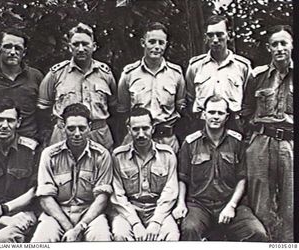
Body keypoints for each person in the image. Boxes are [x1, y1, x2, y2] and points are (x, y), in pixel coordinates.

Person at [173, 95, 267, 241]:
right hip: (199, 205)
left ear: (227, 116)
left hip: (229, 203)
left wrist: (232, 206)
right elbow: (182, 178)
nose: (215, 117)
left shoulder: (237, 142)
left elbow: (242, 179)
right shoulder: (191, 143)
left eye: (220, 113)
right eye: (211, 112)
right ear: (204, 114)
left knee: (257, 233)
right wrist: (181, 204)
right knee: (189, 229)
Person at [31, 103, 112, 242]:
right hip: (57, 214)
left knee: (101, 238)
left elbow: (102, 198)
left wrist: (79, 227)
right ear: (63, 126)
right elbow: (45, 198)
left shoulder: (102, 155)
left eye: (82, 128)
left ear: (90, 127)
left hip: (90, 214)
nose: (77, 134)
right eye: (71, 128)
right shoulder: (49, 155)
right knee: (41, 239)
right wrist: (69, 227)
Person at [241, 25, 293, 242]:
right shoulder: (258, 75)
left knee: (291, 203)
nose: (279, 48)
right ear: (269, 48)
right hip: (261, 143)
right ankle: (264, 243)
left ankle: (289, 244)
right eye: (275, 44)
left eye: (284, 43)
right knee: (260, 203)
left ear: (292, 45)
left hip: (290, 145)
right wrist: (252, 140)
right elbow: (246, 110)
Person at [37, 22, 117, 151]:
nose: (80, 49)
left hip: (98, 135)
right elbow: (43, 108)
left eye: (85, 44)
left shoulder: (105, 73)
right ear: (69, 47)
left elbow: (114, 107)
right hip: (65, 135)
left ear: (94, 46)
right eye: (76, 44)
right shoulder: (56, 74)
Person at [110, 107, 179, 241]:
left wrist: (156, 221)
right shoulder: (118, 156)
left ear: (153, 128)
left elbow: (170, 192)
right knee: (120, 234)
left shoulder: (167, 155)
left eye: (145, 128)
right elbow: (118, 195)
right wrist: (135, 223)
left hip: (158, 209)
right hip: (128, 210)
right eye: (135, 129)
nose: (141, 134)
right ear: (129, 129)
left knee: (171, 235)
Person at [117, 22, 186, 153]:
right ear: (143, 43)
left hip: (166, 140)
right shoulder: (129, 74)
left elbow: (180, 106)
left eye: (161, 43)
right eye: (152, 42)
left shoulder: (176, 74)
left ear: (166, 44)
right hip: (137, 140)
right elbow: (123, 109)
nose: (156, 47)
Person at [185, 15, 251, 134]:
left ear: (228, 35)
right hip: (202, 123)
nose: (215, 40)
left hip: (233, 124)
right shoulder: (195, 66)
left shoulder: (242, 66)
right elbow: (190, 96)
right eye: (210, 35)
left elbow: (248, 98)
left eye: (219, 34)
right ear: (206, 37)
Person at [0, 97, 39, 243]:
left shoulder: (32, 150)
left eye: (10, 120)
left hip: (22, 214)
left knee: (3, 238)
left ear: (18, 123)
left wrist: (3, 210)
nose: (4, 125)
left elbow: (34, 191)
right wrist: (0, 217)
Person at [0, 29, 44, 141]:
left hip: (28, 144)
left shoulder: (36, 77)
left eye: (18, 48)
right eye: (8, 46)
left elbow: (43, 114)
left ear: (24, 52)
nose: (13, 52)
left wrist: (40, 142)